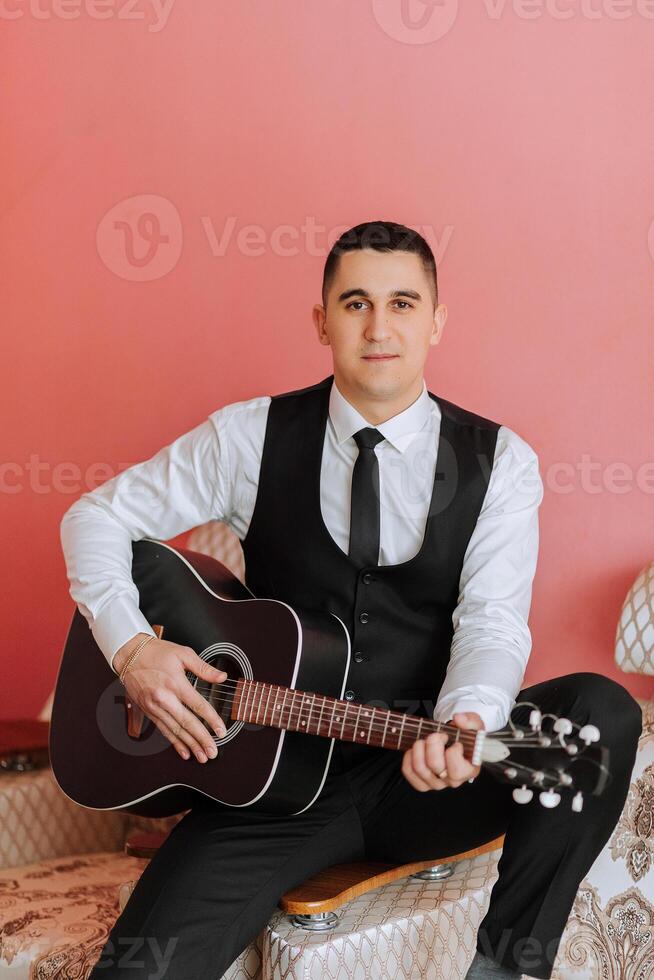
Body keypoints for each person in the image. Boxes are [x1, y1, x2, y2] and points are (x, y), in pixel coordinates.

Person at [60, 220, 641, 979]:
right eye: (356, 302)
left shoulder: (499, 462)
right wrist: (132, 648)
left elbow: (492, 620)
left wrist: (467, 723)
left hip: (421, 777)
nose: (379, 326)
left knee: (600, 716)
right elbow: (95, 516)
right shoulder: (248, 437)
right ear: (322, 320)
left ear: (436, 321)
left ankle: (506, 968)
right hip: (270, 784)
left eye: (402, 304)